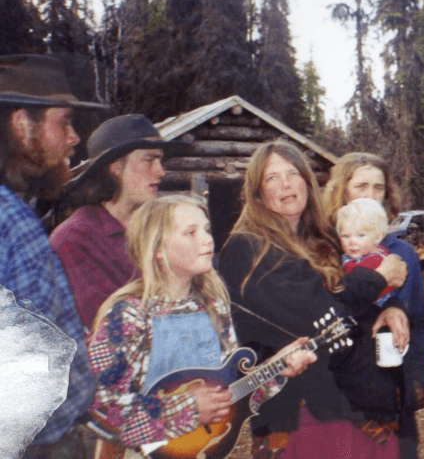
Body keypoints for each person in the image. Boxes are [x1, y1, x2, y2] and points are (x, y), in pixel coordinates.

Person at [219, 141, 409, 459]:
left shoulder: (325, 238)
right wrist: (377, 279)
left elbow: (351, 295)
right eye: (272, 178)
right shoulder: (246, 248)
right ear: (257, 193)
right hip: (297, 416)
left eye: (293, 173)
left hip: (356, 406)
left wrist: (391, 305)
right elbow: (316, 311)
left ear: (307, 182)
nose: (286, 184)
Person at [87, 195, 316, 457]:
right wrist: (187, 408)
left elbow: (229, 398)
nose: (208, 239)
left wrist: (276, 370)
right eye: (191, 232)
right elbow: (100, 410)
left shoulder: (212, 306)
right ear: (157, 248)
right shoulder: (127, 317)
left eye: (206, 229)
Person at [0, 55, 103, 457]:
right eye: (64, 122)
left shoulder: (17, 214)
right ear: (22, 125)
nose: (74, 137)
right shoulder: (11, 222)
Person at [322, 152, 424, 459]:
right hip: (340, 396)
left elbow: (421, 321)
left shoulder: (402, 252)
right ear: (341, 191)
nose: (371, 195)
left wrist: (416, 379)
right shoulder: (327, 249)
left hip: (394, 392)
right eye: (360, 186)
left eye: (379, 187)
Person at [50, 113, 184, 327]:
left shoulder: (166, 226)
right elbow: (107, 325)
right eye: (149, 160)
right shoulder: (74, 240)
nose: (161, 171)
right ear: (116, 167)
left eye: (160, 160)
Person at [336, 198, 398, 305]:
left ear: (378, 237)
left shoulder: (372, 262)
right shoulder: (379, 251)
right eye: (345, 236)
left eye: (360, 235)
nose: (352, 242)